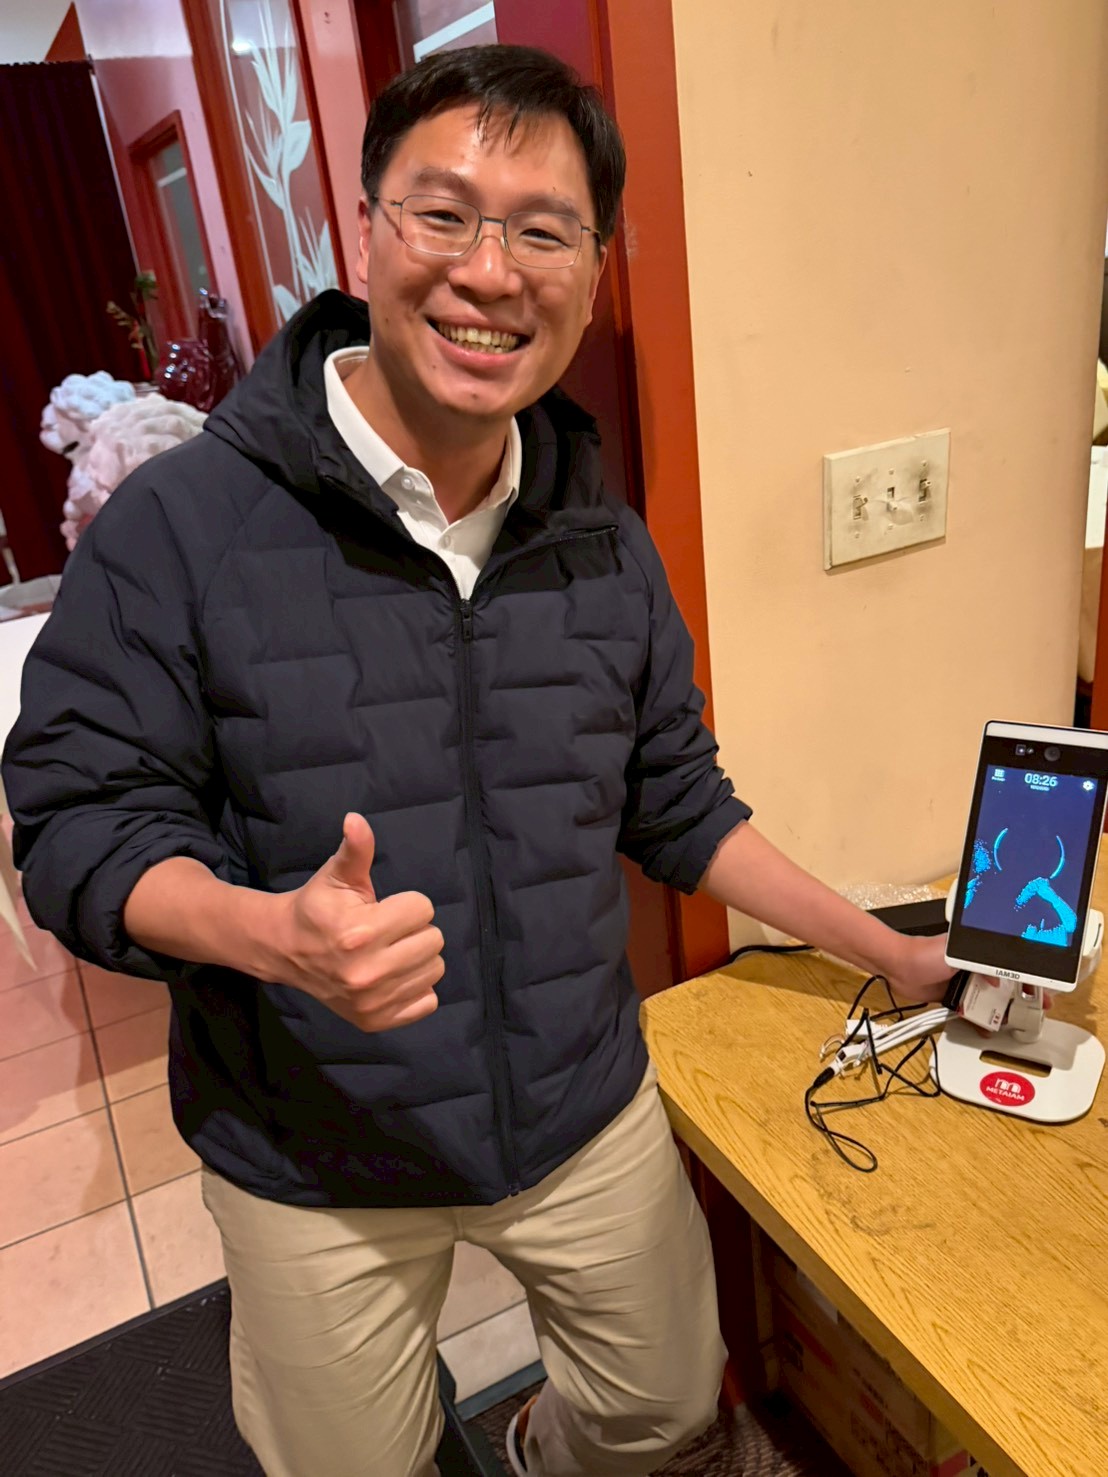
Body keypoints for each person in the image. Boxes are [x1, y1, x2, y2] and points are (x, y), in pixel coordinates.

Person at [2, 44, 953, 1477]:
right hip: (314, 1144)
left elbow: (679, 803)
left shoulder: (602, 541)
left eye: (542, 231)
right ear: (364, 233)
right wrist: (271, 934)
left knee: (661, 1412)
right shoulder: (182, 524)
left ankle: (532, 1451)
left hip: (577, 1104)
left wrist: (884, 948)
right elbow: (78, 826)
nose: (490, 273)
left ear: (595, 270)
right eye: (443, 214)